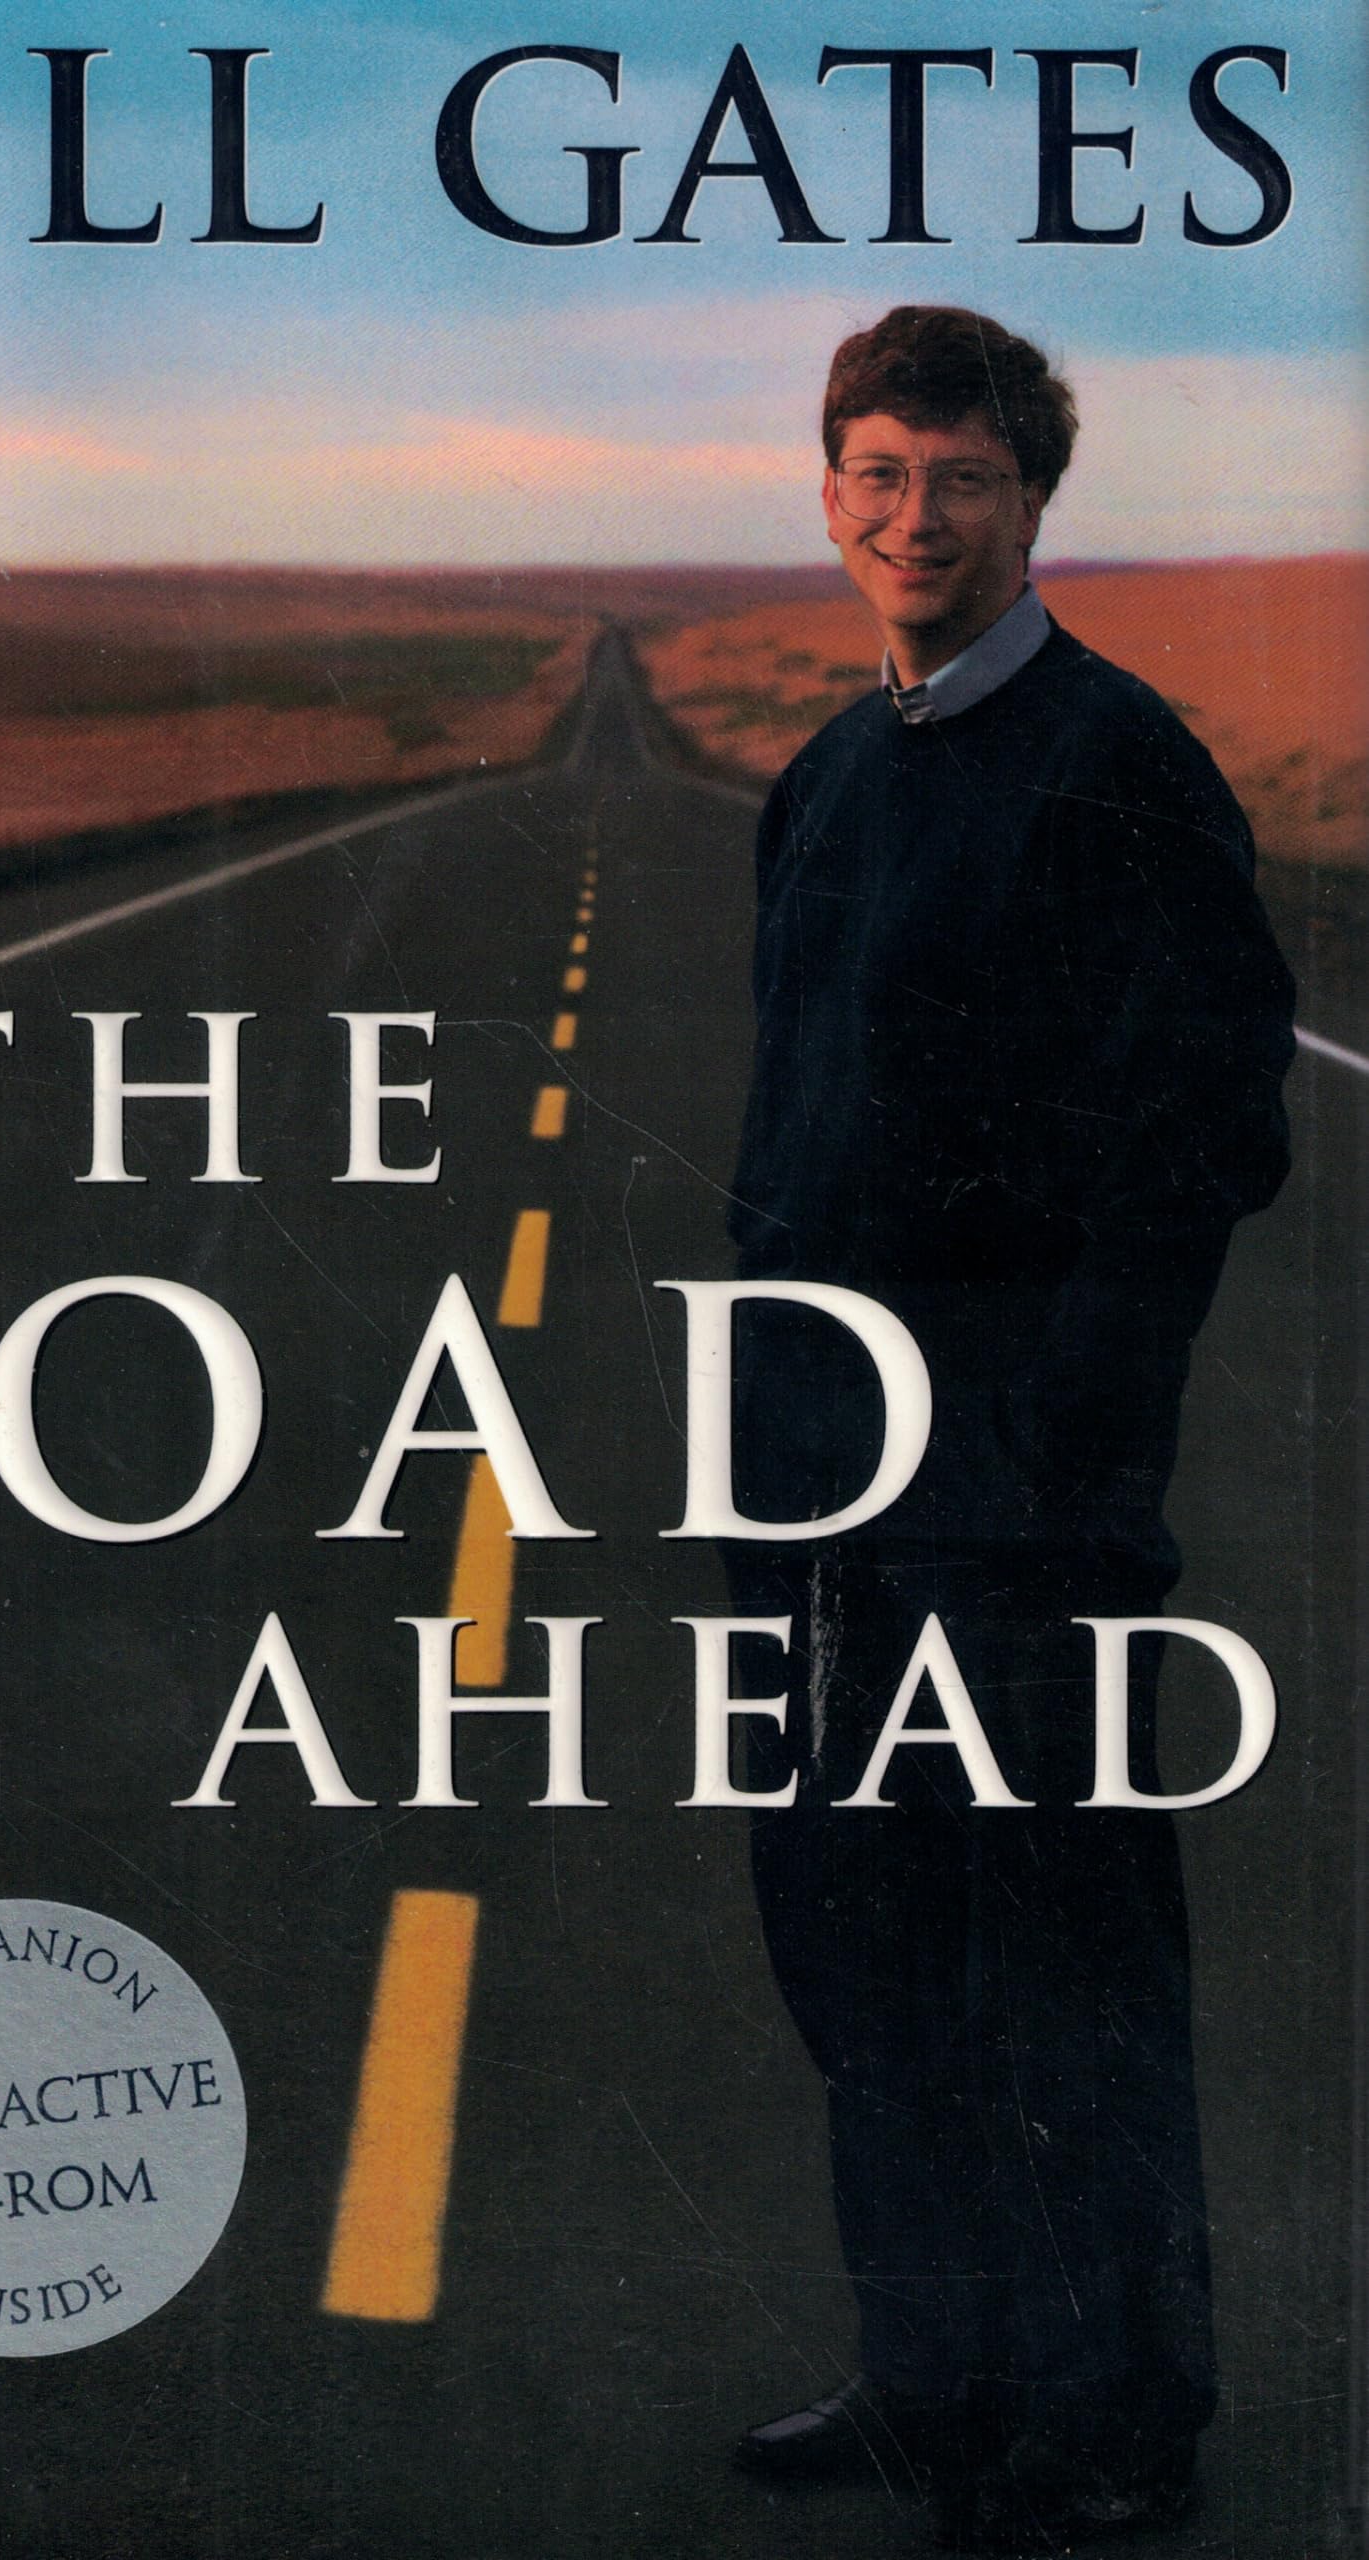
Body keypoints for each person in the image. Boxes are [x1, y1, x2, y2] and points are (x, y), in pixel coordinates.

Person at [723, 306, 1296, 2550]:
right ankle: (935, 2379)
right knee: (857, 1939)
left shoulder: (1113, 762)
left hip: (1017, 1503)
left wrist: (1067, 1457)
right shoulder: (825, 777)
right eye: (878, 473)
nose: (915, 518)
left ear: (1035, 499)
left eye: (961, 477)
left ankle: (1119, 2415)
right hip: (814, 1486)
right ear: (826, 494)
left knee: (1055, 1953)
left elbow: (1207, 1137)